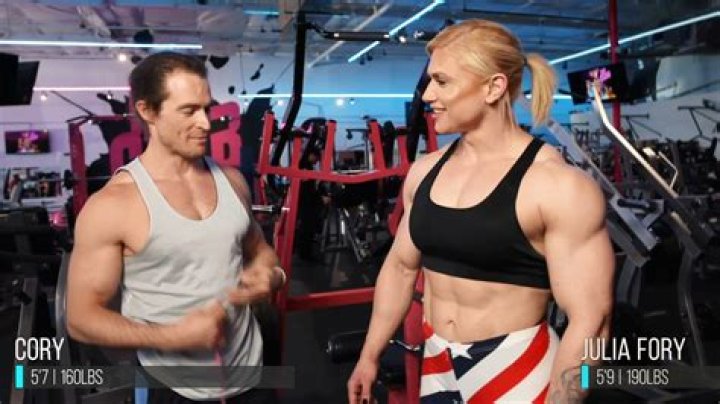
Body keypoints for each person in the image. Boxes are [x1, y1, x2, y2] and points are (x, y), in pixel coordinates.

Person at [348, 19, 614, 403]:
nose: (427, 95)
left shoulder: (556, 186)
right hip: (437, 365)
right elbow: (400, 268)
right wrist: (369, 356)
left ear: (493, 87)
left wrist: (564, 399)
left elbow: (593, 321)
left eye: (442, 82)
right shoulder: (425, 171)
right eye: (429, 81)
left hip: (517, 371)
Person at [66, 52, 286, 404]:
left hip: (252, 377)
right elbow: (81, 318)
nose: (205, 123)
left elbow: (259, 251)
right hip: (174, 388)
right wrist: (172, 337)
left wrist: (270, 275)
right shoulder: (114, 204)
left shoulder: (232, 181)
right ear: (147, 111)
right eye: (188, 111)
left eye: (206, 109)